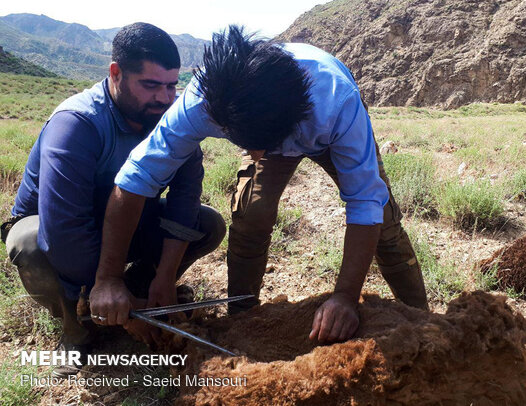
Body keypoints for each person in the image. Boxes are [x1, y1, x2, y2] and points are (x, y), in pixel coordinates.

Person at [91, 25, 428, 345]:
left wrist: (344, 296)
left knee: (382, 222)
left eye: (263, 146)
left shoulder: (337, 103)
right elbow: (136, 178)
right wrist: (107, 278)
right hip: (259, 119)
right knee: (251, 213)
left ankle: (423, 318)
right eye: (247, 145)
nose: (257, 155)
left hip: (324, 132)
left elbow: (364, 199)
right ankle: (243, 317)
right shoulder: (203, 101)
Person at [2, 23, 226, 377]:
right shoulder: (77, 124)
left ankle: (140, 294)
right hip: (60, 232)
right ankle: (78, 331)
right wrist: (105, 284)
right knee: (28, 243)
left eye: (171, 86)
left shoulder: (167, 119)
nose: (165, 98)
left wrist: (165, 276)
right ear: (116, 74)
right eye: (150, 86)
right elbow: (64, 232)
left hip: (127, 221)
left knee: (207, 223)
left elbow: (185, 200)